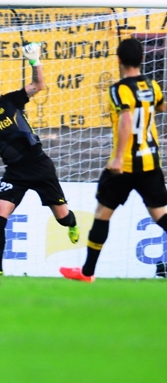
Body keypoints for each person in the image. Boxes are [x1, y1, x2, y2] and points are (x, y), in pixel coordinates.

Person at [0, 42, 80, 277]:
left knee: (62, 218)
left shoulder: (9, 102)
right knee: (0, 215)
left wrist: (34, 60)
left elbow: (39, 85)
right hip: (15, 173)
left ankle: (72, 223)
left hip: (39, 165)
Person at [62, 39, 167, 283]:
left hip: (127, 164)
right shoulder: (152, 86)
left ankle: (87, 273)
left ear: (118, 59)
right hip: (151, 162)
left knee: (102, 213)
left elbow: (126, 121)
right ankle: (87, 272)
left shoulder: (118, 90)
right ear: (142, 59)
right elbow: (161, 107)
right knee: (160, 214)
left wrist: (119, 157)